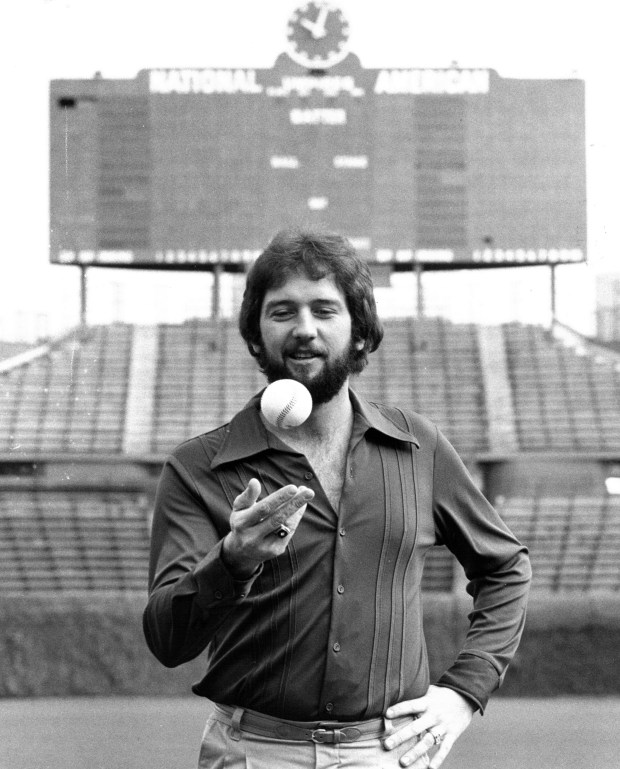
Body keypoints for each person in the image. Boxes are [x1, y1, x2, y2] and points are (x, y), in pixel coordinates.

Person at [143, 230, 531, 769]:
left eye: (324, 310)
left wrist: (465, 690)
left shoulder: (419, 448)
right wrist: (233, 561)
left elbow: (506, 565)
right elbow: (167, 639)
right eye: (282, 312)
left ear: (358, 333)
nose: (304, 329)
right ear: (256, 336)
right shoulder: (197, 468)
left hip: (390, 751)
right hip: (254, 753)